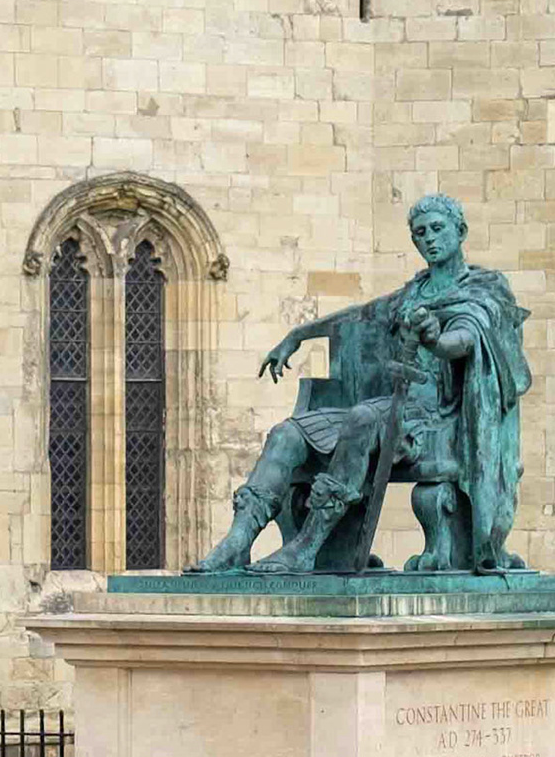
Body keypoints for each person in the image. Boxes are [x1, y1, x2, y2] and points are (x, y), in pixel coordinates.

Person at [190, 195, 531, 576]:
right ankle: (238, 541)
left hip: (437, 419)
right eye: (420, 233)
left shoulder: (484, 289)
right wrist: (300, 333)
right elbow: (360, 314)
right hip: (391, 409)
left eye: (438, 229)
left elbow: (467, 339)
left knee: (363, 418)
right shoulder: (413, 292)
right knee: (286, 434)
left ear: (460, 231)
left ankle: (307, 546)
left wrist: (436, 339)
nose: (429, 239)